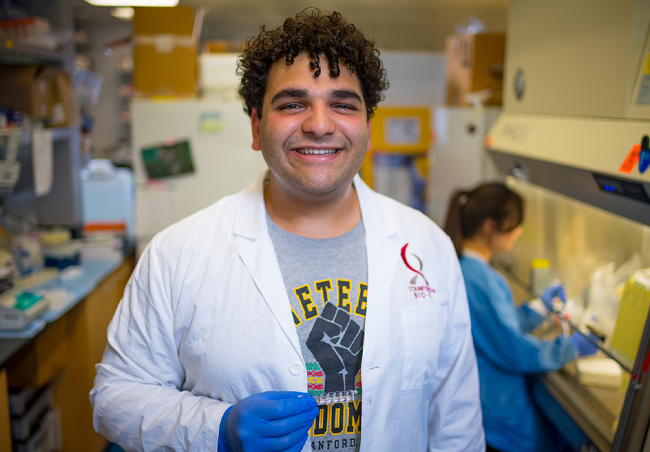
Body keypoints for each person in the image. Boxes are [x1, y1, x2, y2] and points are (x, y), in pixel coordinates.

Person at [90, 9, 485, 452]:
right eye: (293, 103)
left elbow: (456, 420)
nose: (319, 124)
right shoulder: (177, 252)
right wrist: (215, 429)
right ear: (257, 127)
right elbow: (115, 397)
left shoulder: (428, 247)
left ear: (368, 129)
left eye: (343, 104)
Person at [443, 183, 597, 452]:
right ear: (490, 226)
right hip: (496, 410)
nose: (519, 232)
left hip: (483, 400)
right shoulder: (482, 280)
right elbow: (515, 350)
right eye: (514, 225)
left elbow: (494, 327)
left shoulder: (464, 267)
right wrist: (571, 347)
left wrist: (540, 309)